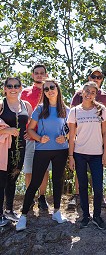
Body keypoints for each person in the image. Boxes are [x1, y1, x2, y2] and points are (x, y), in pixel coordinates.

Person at [16, 79, 69, 231]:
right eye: (46, 89)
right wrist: (39, 138)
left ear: (58, 89)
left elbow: (73, 130)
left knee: (58, 181)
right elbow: (30, 130)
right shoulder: (39, 109)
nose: (49, 90)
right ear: (44, 93)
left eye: (52, 87)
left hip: (61, 150)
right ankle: (24, 216)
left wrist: (64, 137)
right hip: (42, 151)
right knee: (35, 182)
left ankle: (57, 212)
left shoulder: (67, 109)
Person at [68, 82, 106, 229]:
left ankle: (97, 216)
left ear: (95, 94)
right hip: (79, 154)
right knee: (83, 186)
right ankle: (85, 215)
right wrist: (71, 156)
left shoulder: (101, 109)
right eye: (87, 91)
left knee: (98, 188)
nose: (89, 94)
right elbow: (72, 135)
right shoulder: (74, 111)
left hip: (97, 154)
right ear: (82, 92)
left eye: (93, 92)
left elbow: (105, 133)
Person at [0, 77, 32, 227]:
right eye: (10, 86)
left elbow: (30, 124)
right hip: (3, 148)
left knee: (13, 178)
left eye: (16, 85)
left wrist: (29, 133)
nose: (13, 88)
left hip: (20, 147)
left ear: (20, 88)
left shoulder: (26, 105)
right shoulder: (1, 105)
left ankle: (9, 210)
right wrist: (7, 130)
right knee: (1, 181)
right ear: (5, 88)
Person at [21, 63, 50, 210]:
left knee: (44, 170)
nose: (39, 75)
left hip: (46, 138)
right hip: (29, 137)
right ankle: (30, 197)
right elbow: (19, 113)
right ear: (32, 75)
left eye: (42, 73)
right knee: (29, 170)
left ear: (46, 75)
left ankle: (42, 197)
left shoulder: (50, 91)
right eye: (36, 73)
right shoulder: (25, 93)